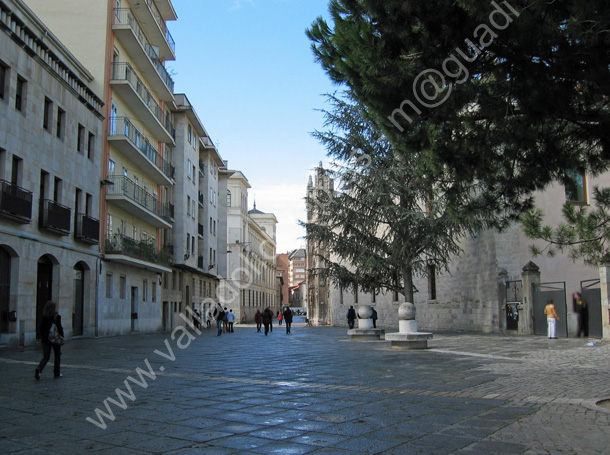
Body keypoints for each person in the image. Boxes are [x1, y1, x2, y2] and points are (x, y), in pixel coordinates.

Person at [35, 300, 64, 380]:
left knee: (46, 357)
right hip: (55, 339)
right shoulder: (56, 316)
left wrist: (43, 336)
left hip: (45, 339)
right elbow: (59, 327)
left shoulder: (44, 316)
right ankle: (56, 373)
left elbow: (41, 328)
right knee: (57, 355)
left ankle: (39, 369)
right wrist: (62, 336)